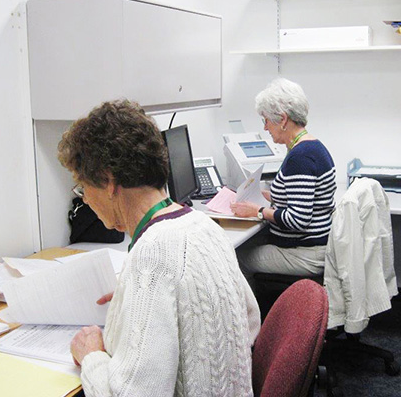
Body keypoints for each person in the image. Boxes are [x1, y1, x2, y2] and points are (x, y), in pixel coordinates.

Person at [59, 100, 260, 396]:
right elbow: (250, 322)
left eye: (83, 188)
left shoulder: (152, 255)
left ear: (108, 180)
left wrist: (91, 356)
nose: (85, 200)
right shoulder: (205, 226)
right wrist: (145, 300)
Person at [231, 78, 336, 287]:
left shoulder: (301, 157)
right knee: (248, 244)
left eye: (266, 120)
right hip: (313, 247)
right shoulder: (312, 146)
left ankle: (253, 318)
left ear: (282, 119)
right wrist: (268, 196)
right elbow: (302, 198)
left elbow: (298, 219)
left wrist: (258, 211)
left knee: (234, 259)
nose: (265, 127)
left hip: (305, 254)